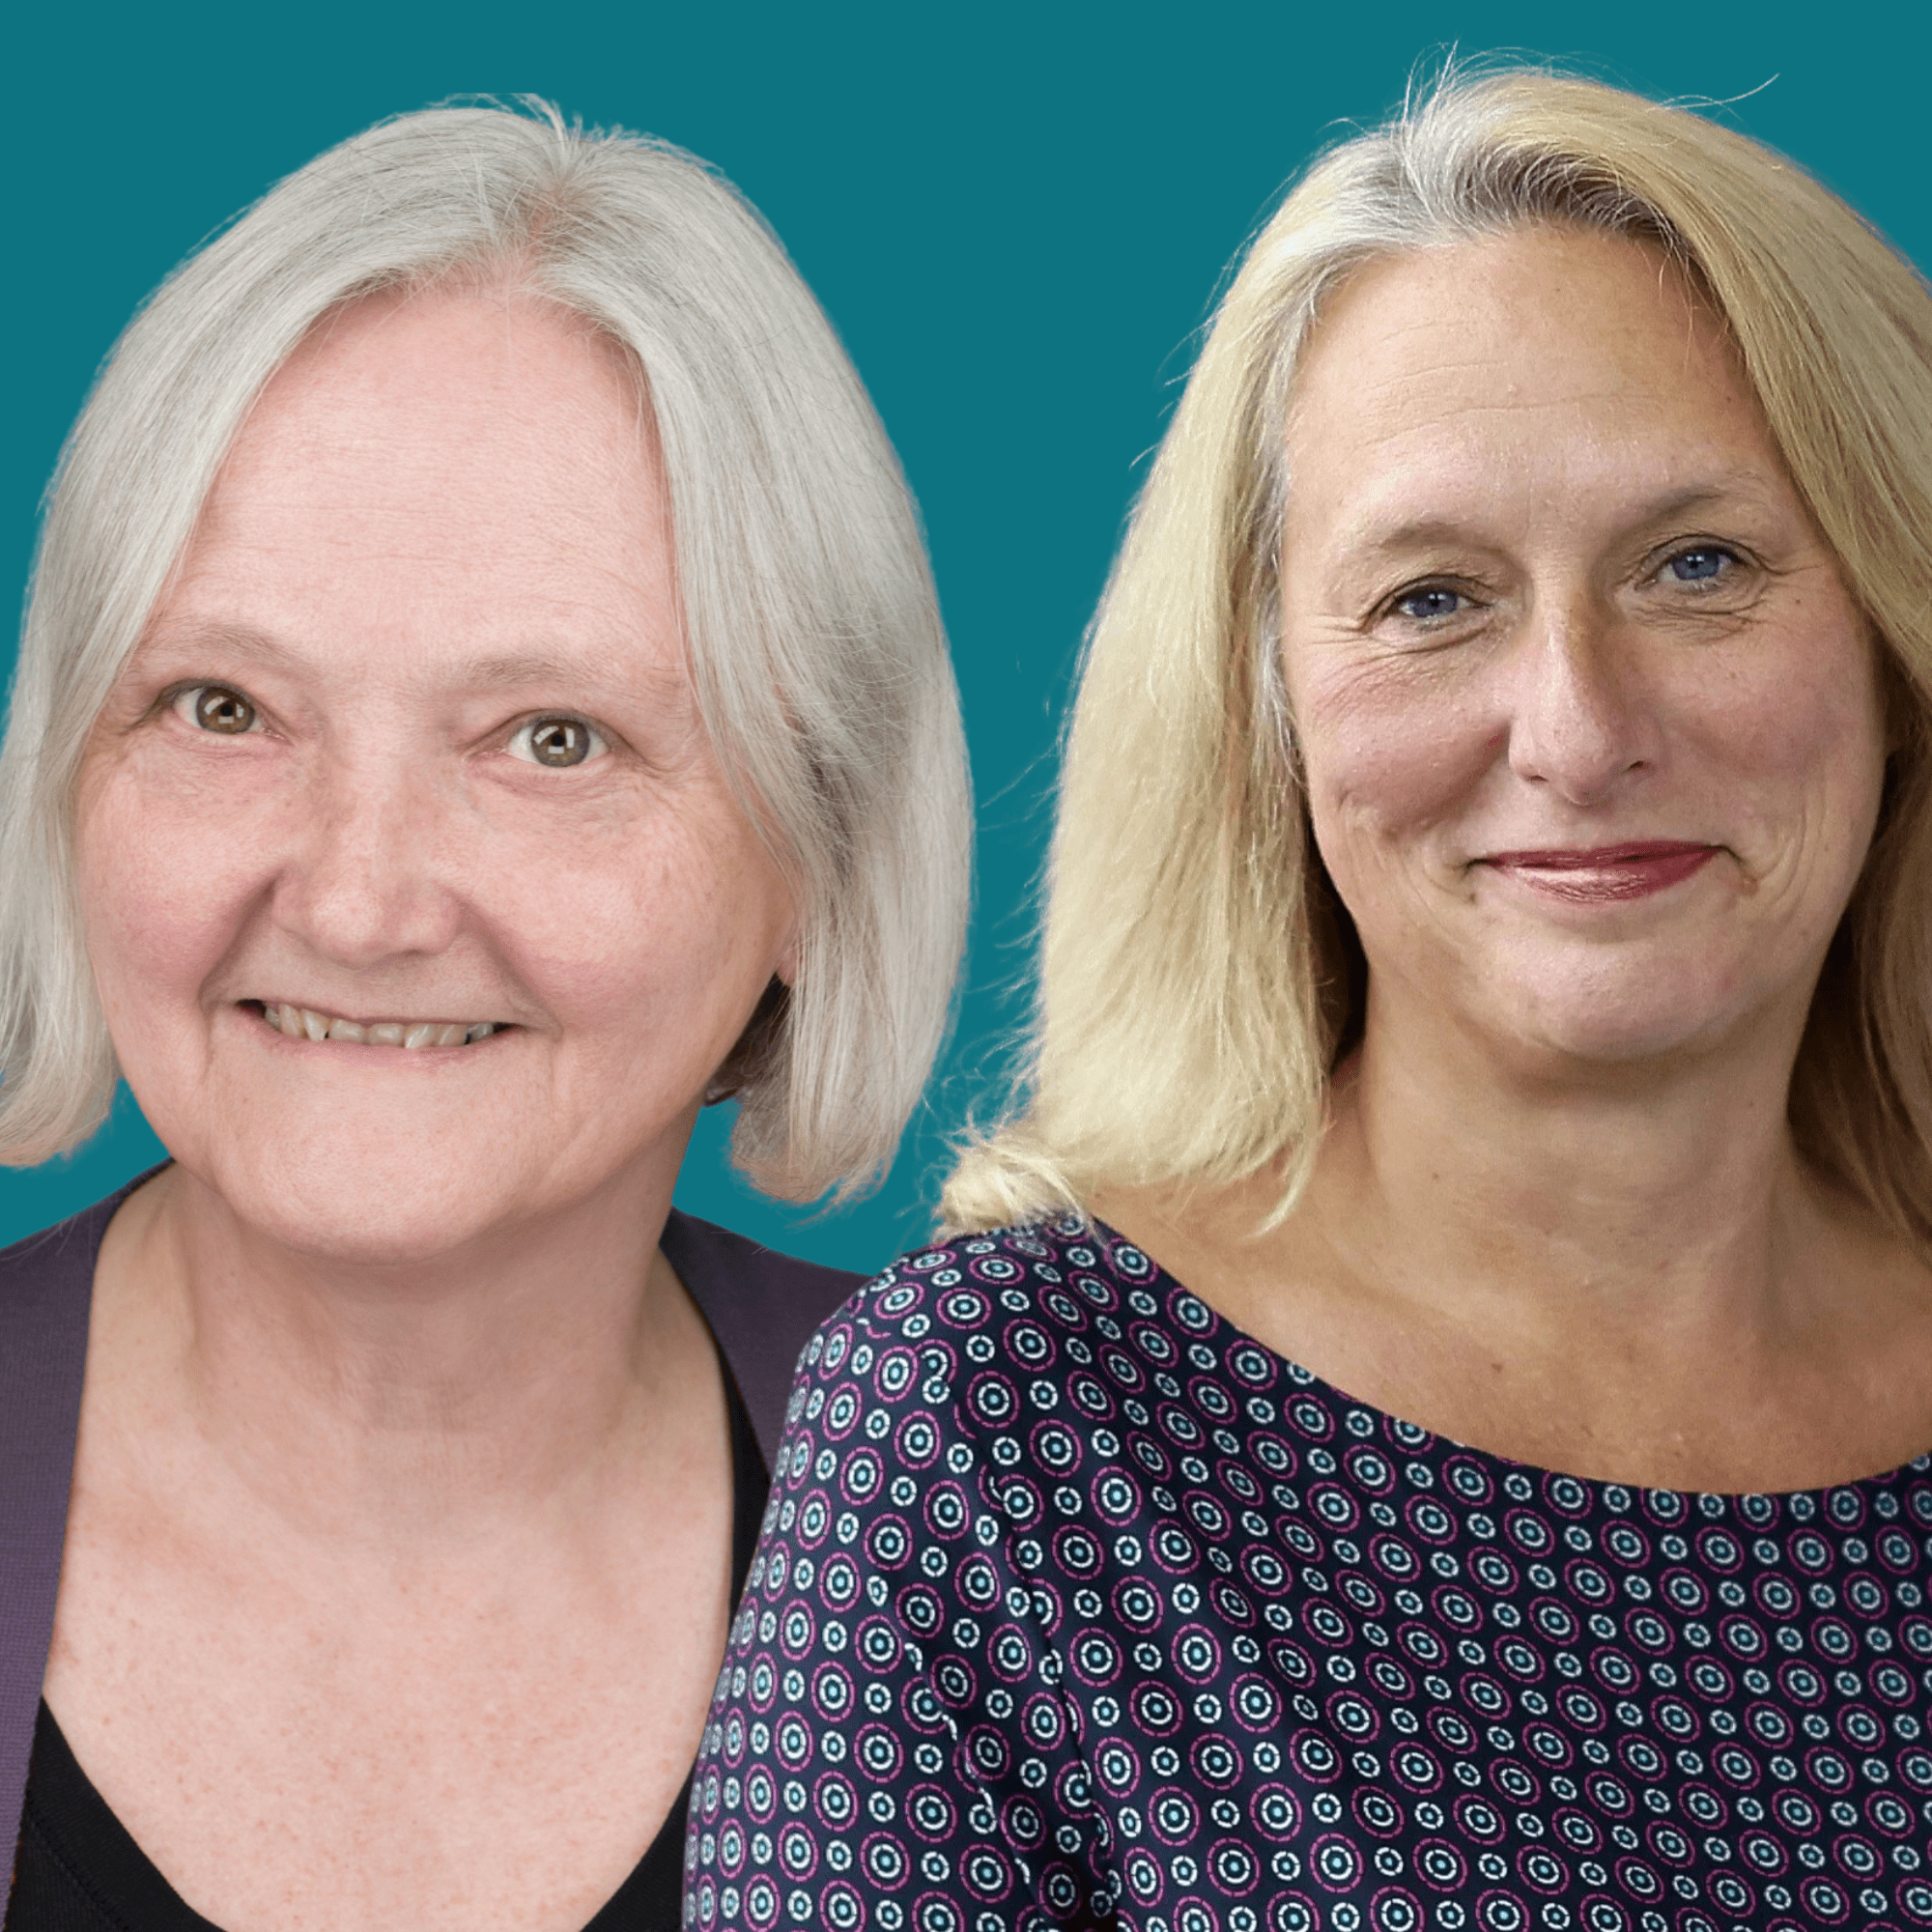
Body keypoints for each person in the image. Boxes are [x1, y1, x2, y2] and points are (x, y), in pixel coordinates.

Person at [691, 68, 1932, 1932]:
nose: (1581, 732)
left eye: (1701, 565)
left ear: (1895, 633)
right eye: (1434, 600)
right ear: (1264, 705)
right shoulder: (1000, 1437)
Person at [0, 99, 969, 1931]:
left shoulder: (1085, 1555)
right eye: (223, 710)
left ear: (816, 861)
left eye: (553, 741)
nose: (358, 902)